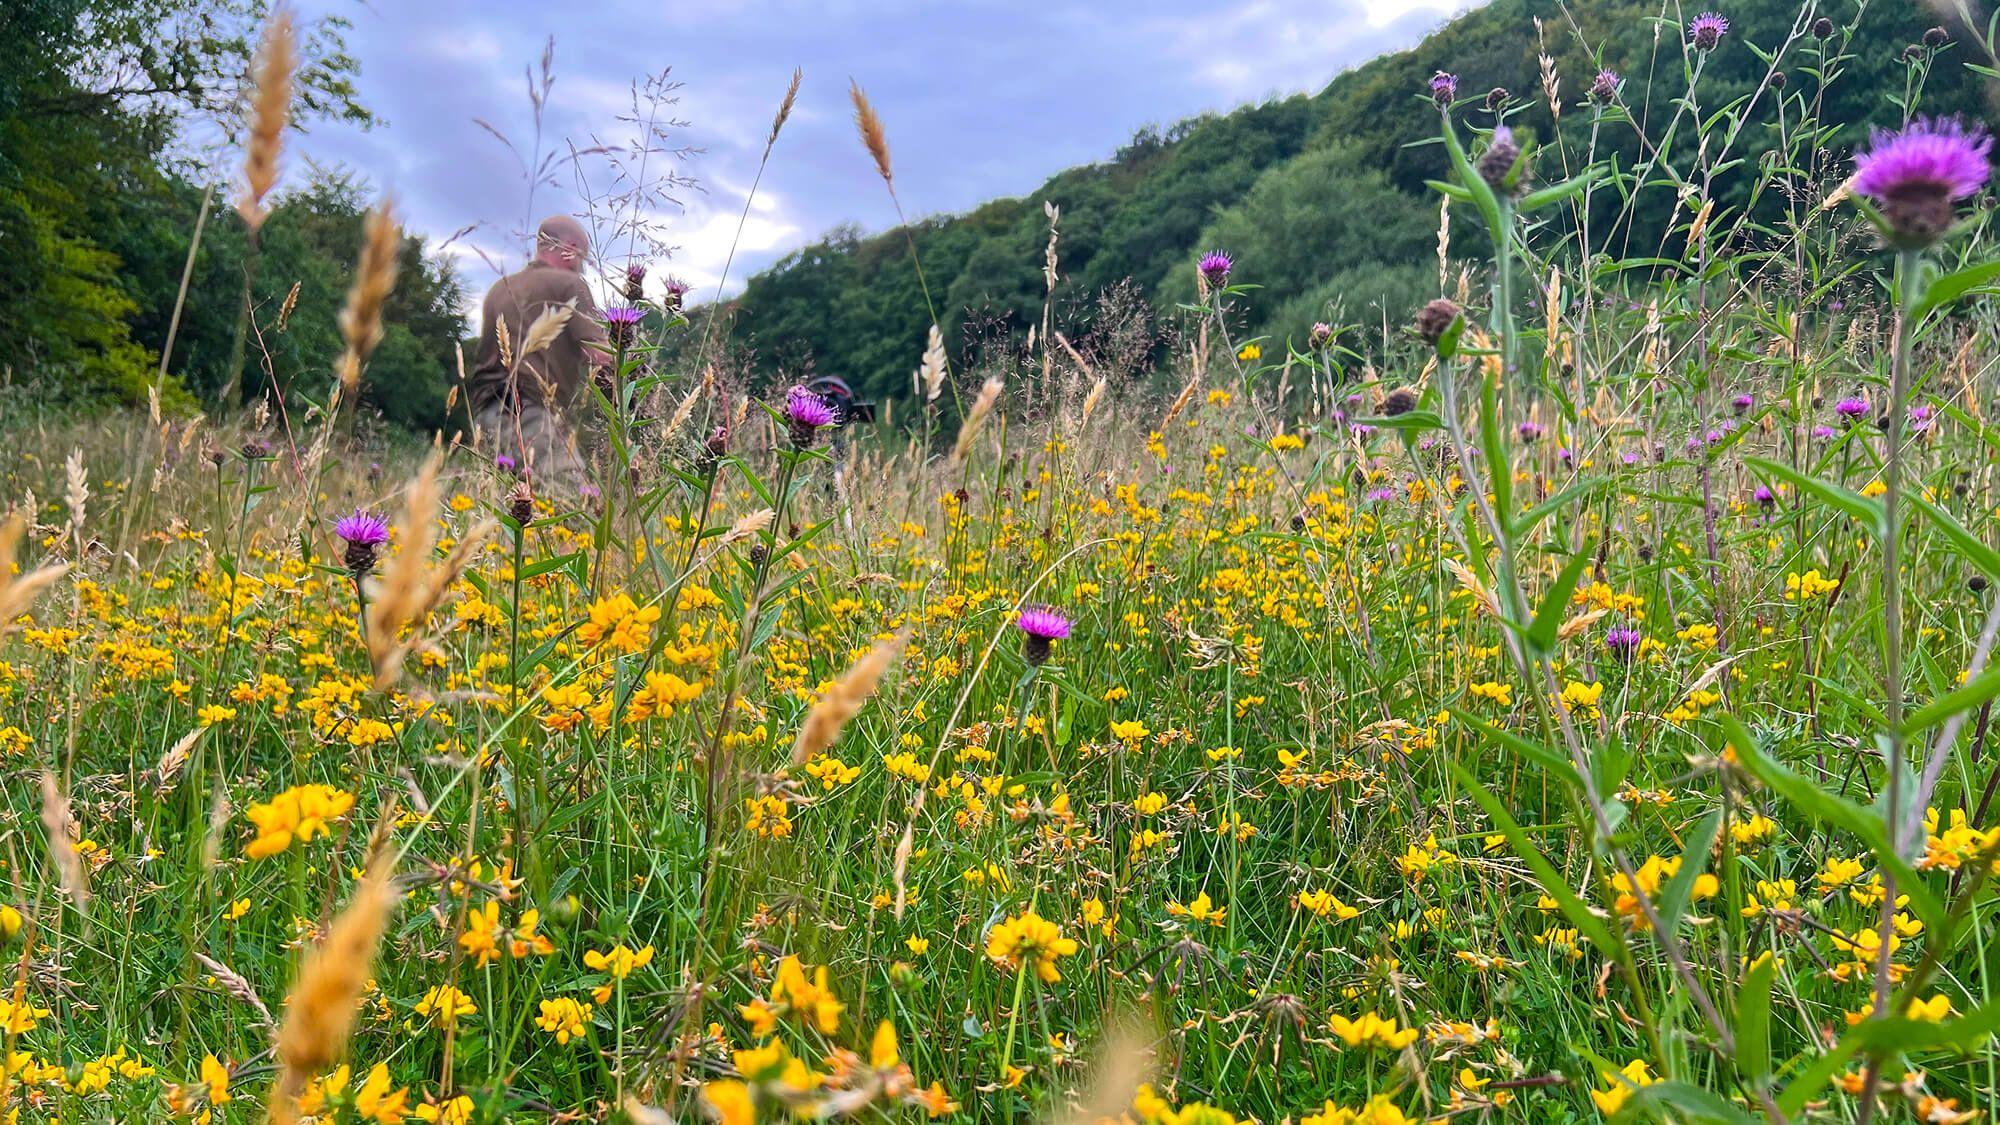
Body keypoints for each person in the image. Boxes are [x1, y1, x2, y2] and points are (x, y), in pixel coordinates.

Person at [467, 215, 611, 492]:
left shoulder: (499, 289)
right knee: (571, 500)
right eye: (584, 257)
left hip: (486, 416)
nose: (583, 265)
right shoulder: (570, 284)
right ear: (571, 249)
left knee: (503, 505)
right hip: (533, 414)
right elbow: (599, 354)